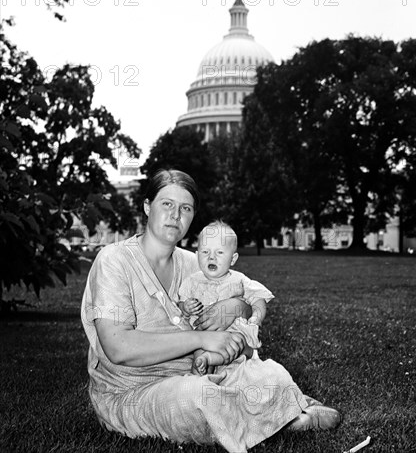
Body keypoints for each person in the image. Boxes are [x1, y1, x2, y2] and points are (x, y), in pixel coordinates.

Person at [81, 169, 341, 453]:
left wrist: (235, 306)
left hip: (199, 370)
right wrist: (201, 339)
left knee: (266, 371)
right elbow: (118, 347)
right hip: (133, 391)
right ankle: (287, 418)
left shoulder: (196, 263)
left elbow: (243, 300)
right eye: (166, 204)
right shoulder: (114, 260)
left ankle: (277, 406)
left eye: (186, 208)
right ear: (147, 207)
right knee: (194, 397)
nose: (175, 214)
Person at [178, 220, 274, 375]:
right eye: (205, 252)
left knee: (239, 345)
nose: (211, 258)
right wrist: (186, 307)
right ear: (197, 256)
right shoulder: (192, 281)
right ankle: (202, 374)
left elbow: (258, 299)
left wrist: (256, 318)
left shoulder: (239, 280)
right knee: (199, 353)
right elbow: (181, 304)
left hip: (233, 334)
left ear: (233, 259)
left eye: (220, 252)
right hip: (205, 336)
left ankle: (211, 360)